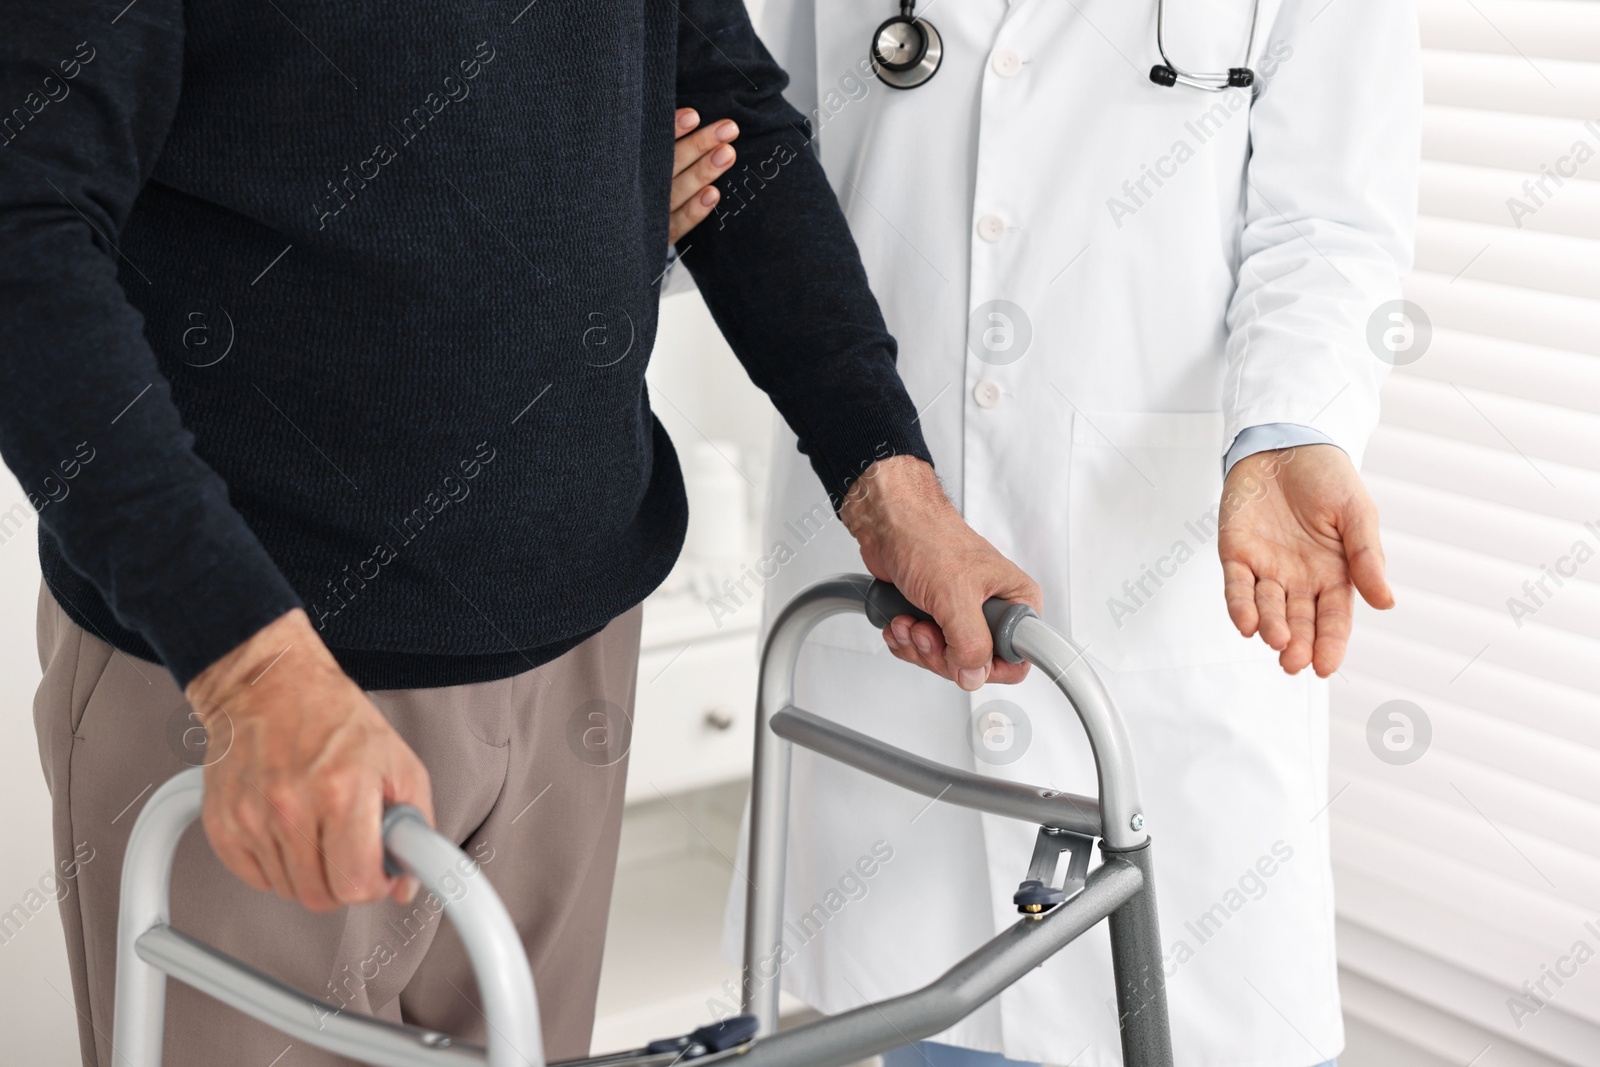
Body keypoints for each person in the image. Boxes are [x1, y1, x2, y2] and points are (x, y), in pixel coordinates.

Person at [1, 3, 1040, 1064]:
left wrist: (888, 483)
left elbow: (731, 124)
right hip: (267, 675)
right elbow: (23, 233)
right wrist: (247, 665)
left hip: (570, 656)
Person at [672, 0, 1420, 1063]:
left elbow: (1329, 221)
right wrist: (636, 214)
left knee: (1181, 1013)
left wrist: (1287, 426)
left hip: (1149, 587)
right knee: (920, 1011)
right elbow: (737, 144)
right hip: (892, 586)